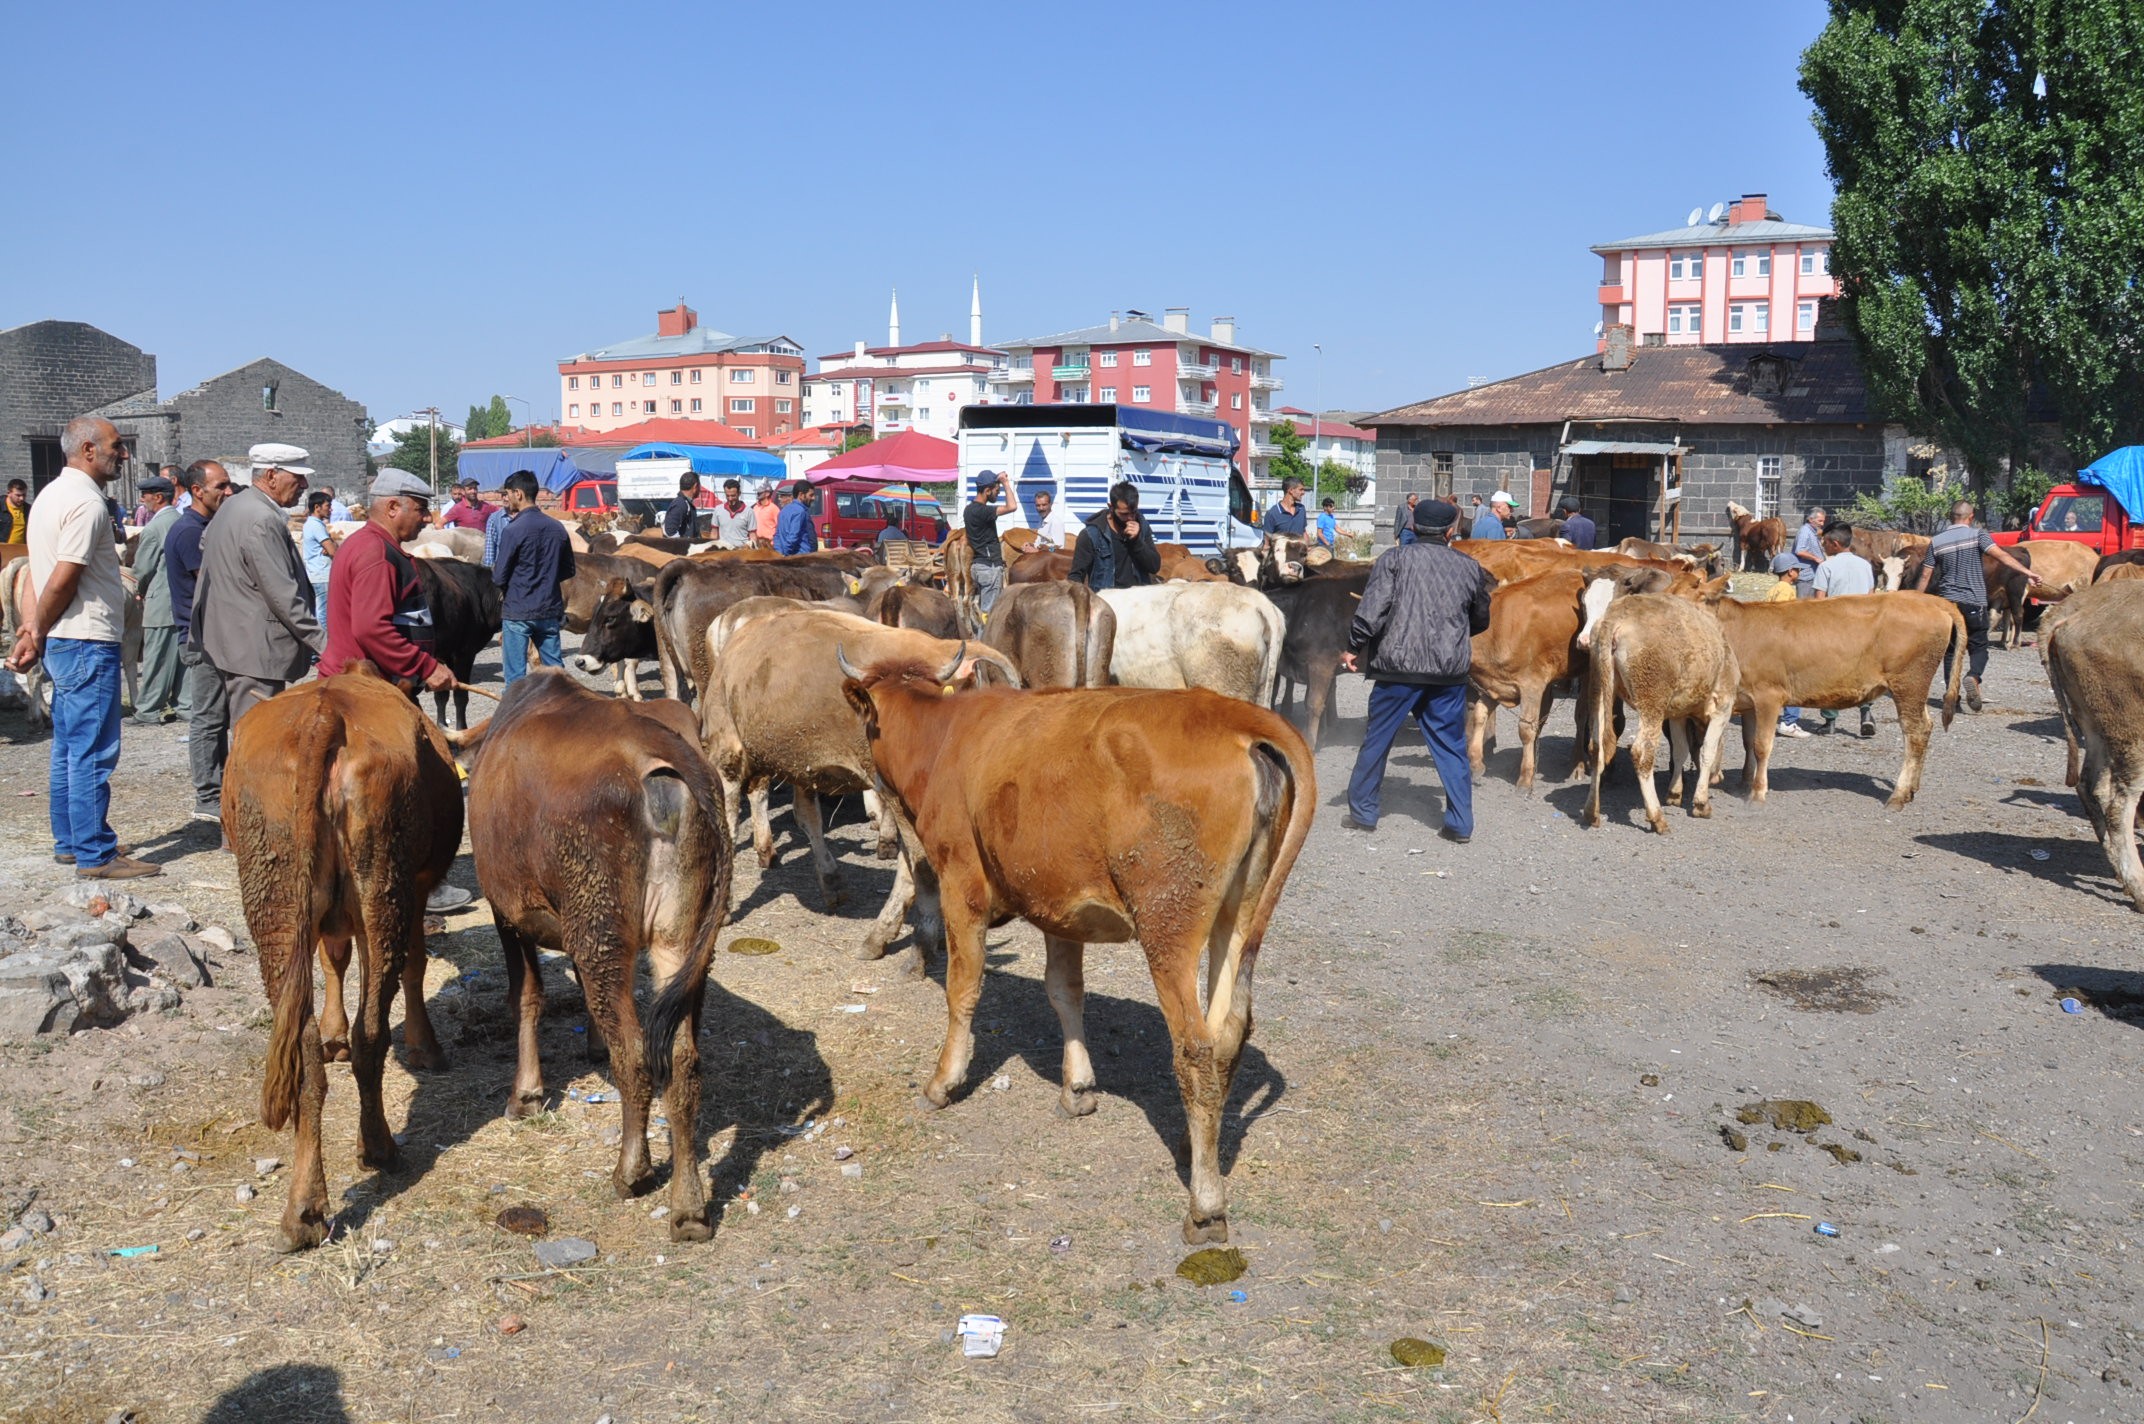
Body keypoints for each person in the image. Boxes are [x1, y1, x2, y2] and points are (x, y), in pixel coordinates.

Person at [6, 417, 160, 878]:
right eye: (118, 446)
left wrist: (34, 629)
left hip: (64, 637)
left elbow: (37, 571)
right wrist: (35, 631)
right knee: (93, 749)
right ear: (89, 450)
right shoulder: (87, 504)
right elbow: (63, 577)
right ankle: (96, 853)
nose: (125, 454)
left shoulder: (51, 496)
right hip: (86, 637)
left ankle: (72, 841)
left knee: (69, 747)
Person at [1339, 498, 1492, 842]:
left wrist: (1353, 646)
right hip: (1447, 672)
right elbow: (1481, 617)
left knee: (1377, 740)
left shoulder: (1393, 559)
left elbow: (1372, 609)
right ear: (1451, 531)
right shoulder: (1469, 567)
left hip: (1397, 669)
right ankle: (1460, 824)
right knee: (1450, 745)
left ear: (1412, 527)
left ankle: (1364, 814)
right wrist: (1452, 635)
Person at [191, 442, 324, 728]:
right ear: (272, 475)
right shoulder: (261, 519)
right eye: (297, 476)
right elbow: (283, 596)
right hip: (254, 651)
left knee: (245, 734)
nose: (304, 484)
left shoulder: (234, 506)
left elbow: (208, 547)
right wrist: (324, 644)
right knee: (257, 739)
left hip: (231, 641)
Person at [322, 469, 454, 696]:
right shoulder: (377, 553)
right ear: (392, 507)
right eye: (420, 509)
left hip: (362, 682)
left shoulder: (364, 543)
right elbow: (371, 628)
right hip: (363, 689)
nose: (427, 518)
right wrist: (426, 667)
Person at [1916, 499, 2033, 712]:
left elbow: (1925, 575)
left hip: (1947, 605)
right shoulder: (1978, 534)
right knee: (1979, 646)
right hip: (1974, 602)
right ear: (1970, 517)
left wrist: (1914, 601)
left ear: (1950, 517)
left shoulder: (1937, 541)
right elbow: (2002, 556)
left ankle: (1952, 695)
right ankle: (1974, 676)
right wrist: (2028, 572)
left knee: (1951, 651)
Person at [167, 461, 232, 822]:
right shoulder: (191, 532)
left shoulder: (205, 526)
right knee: (208, 717)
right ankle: (208, 794)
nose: (227, 492)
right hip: (201, 637)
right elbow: (215, 582)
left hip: (213, 635)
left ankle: (219, 787)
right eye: (220, 486)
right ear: (197, 490)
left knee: (217, 715)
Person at [492, 469, 576, 682]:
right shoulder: (557, 528)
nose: (506, 498)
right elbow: (569, 570)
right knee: (556, 675)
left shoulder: (513, 530)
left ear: (518, 494)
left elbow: (499, 576)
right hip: (549, 609)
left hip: (518, 611)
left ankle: (517, 714)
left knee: (515, 678)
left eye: (508, 493)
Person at [1810, 520, 1878, 738]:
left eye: (1826, 542)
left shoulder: (1826, 567)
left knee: (1829, 675)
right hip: (1862, 626)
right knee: (1863, 672)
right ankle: (1866, 713)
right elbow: (1871, 596)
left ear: (1835, 544)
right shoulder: (1865, 565)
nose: (1823, 545)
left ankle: (1830, 720)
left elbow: (1819, 602)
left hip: (1835, 627)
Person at [130, 476, 183, 725]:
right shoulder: (181, 522)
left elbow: (142, 569)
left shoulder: (153, 528)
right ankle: (185, 705)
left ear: (158, 497)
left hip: (160, 600)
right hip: (181, 601)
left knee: (156, 656)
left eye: (146, 495)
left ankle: (148, 709)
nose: (143, 500)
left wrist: (138, 589)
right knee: (182, 658)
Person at [1069, 480, 1161, 590]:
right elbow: (1075, 577)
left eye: (1134, 513)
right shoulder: (1091, 535)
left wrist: (1137, 542)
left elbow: (1154, 567)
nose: (1130, 518)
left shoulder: (1142, 527)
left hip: (1138, 601)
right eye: (1124, 514)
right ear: (1111, 507)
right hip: (1107, 602)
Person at [1765, 552, 1812, 737]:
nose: (1799, 572)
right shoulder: (1786, 590)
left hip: (1771, 639)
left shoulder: (1774, 588)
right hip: (1783, 642)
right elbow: (1783, 616)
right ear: (1790, 571)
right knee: (1793, 682)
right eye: (1798, 569)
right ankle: (1789, 722)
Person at [964, 472, 1017, 615]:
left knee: (981, 612)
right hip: (989, 567)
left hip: (978, 566)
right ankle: (983, 638)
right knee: (989, 615)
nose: (997, 494)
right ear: (987, 491)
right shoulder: (984, 511)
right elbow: (1012, 506)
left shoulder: (968, 510)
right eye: (996, 491)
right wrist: (1005, 483)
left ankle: (977, 637)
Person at [301, 490, 336, 626]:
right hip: (322, 574)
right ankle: (324, 643)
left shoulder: (312, 524)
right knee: (324, 612)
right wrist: (332, 547)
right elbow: (333, 550)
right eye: (327, 506)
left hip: (317, 572)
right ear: (317, 507)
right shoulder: (316, 525)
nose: (330, 509)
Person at [774, 480, 819, 555]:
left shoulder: (783, 510)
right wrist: (786, 553)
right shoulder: (800, 511)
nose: (813, 498)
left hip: (785, 555)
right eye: (811, 495)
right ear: (801, 495)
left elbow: (777, 535)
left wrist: (779, 553)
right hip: (800, 557)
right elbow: (793, 536)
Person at [1793, 506, 1827, 596]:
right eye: (1820, 521)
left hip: (1813, 575)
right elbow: (1800, 551)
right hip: (1806, 577)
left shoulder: (1812, 532)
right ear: (1811, 519)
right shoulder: (1805, 532)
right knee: (1804, 606)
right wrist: (1816, 558)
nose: (1822, 524)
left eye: (1823, 521)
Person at [710, 478, 752, 548]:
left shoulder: (749, 511)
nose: (730, 499)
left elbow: (752, 535)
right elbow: (714, 533)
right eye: (727, 496)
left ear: (739, 493)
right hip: (723, 551)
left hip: (742, 552)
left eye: (733, 496)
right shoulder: (718, 510)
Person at [662, 472, 700, 540]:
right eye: (699, 486)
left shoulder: (686, 503)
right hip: (682, 549)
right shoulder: (680, 504)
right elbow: (670, 532)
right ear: (695, 486)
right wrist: (685, 545)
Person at [3, 479, 28, 543]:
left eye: (24, 495)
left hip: (22, 551)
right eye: (18, 495)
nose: (21, 498)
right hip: (3, 550)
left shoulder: (28, 510)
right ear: (9, 493)